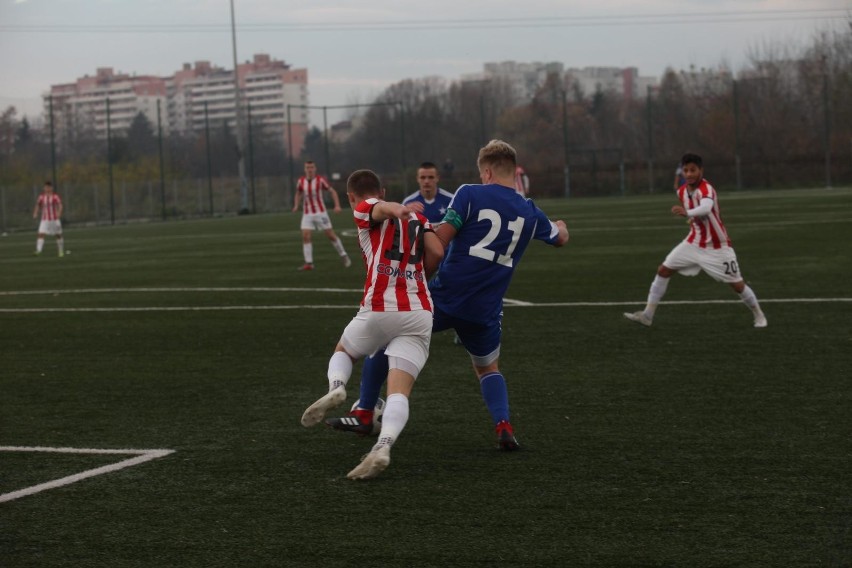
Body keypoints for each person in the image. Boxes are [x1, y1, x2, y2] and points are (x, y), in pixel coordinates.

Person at [327, 140, 569, 451]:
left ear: (487, 171)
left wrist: (416, 272)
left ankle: (363, 411)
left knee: (386, 338)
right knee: (487, 368)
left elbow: (439, 243)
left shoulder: (470, 193)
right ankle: (504, 426)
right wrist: (561, 227)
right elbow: (560, 238)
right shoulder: (530, 211)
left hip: (444, 297)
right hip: (486, 310)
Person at [300, 169, 444, 480]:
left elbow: (379, 208)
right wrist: (419, 273)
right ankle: (383, 446)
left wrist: (396, 208)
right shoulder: (421, 220)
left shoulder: (365, 207)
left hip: (379, 307)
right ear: (382, 187)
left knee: (345, 351)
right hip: (419, 310)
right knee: (398, 393)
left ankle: (337, 388)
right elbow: (437, 251)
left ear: (351, 197)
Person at [624, 152, 767, 328]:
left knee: (737, 285)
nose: (689, 174)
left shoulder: (707, 189)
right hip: (693, 242)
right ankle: (647, 315)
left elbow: (706, 208)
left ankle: (759, 315)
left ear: (701, 170)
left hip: (717, 246)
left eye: (693, 170)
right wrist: (692, 218)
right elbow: (696, 211)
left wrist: (688, 213)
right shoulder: (682, 191)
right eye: (686, 170)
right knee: (663, 270)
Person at [291, 160, 351, 271]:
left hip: (320, 213)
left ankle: (343, 254)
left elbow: (332, 192)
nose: (309, 169)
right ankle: (309, 263)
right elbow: (298, 193)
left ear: (315, 169)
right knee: (305, 236)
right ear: (305, 169)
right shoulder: (301, 181)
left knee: (330, 235)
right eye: (307, 167)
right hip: (307, 213)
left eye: (311, 167)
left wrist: (337, 205)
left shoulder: (320, 180)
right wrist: (296, 205)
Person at [32, 181, 64, 257]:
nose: (47, 189)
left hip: (54, 219)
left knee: (58, 235)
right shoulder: (41, 197)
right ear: (44, 188)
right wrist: (35, 212)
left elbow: (60, 205)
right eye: (46, 187)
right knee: (41, 234)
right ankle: (39, 250)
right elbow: (38, 205)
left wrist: (59, 212)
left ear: (51, 188)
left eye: (49, 187)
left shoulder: (55, 196)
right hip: (44, 219)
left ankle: (61, 251)